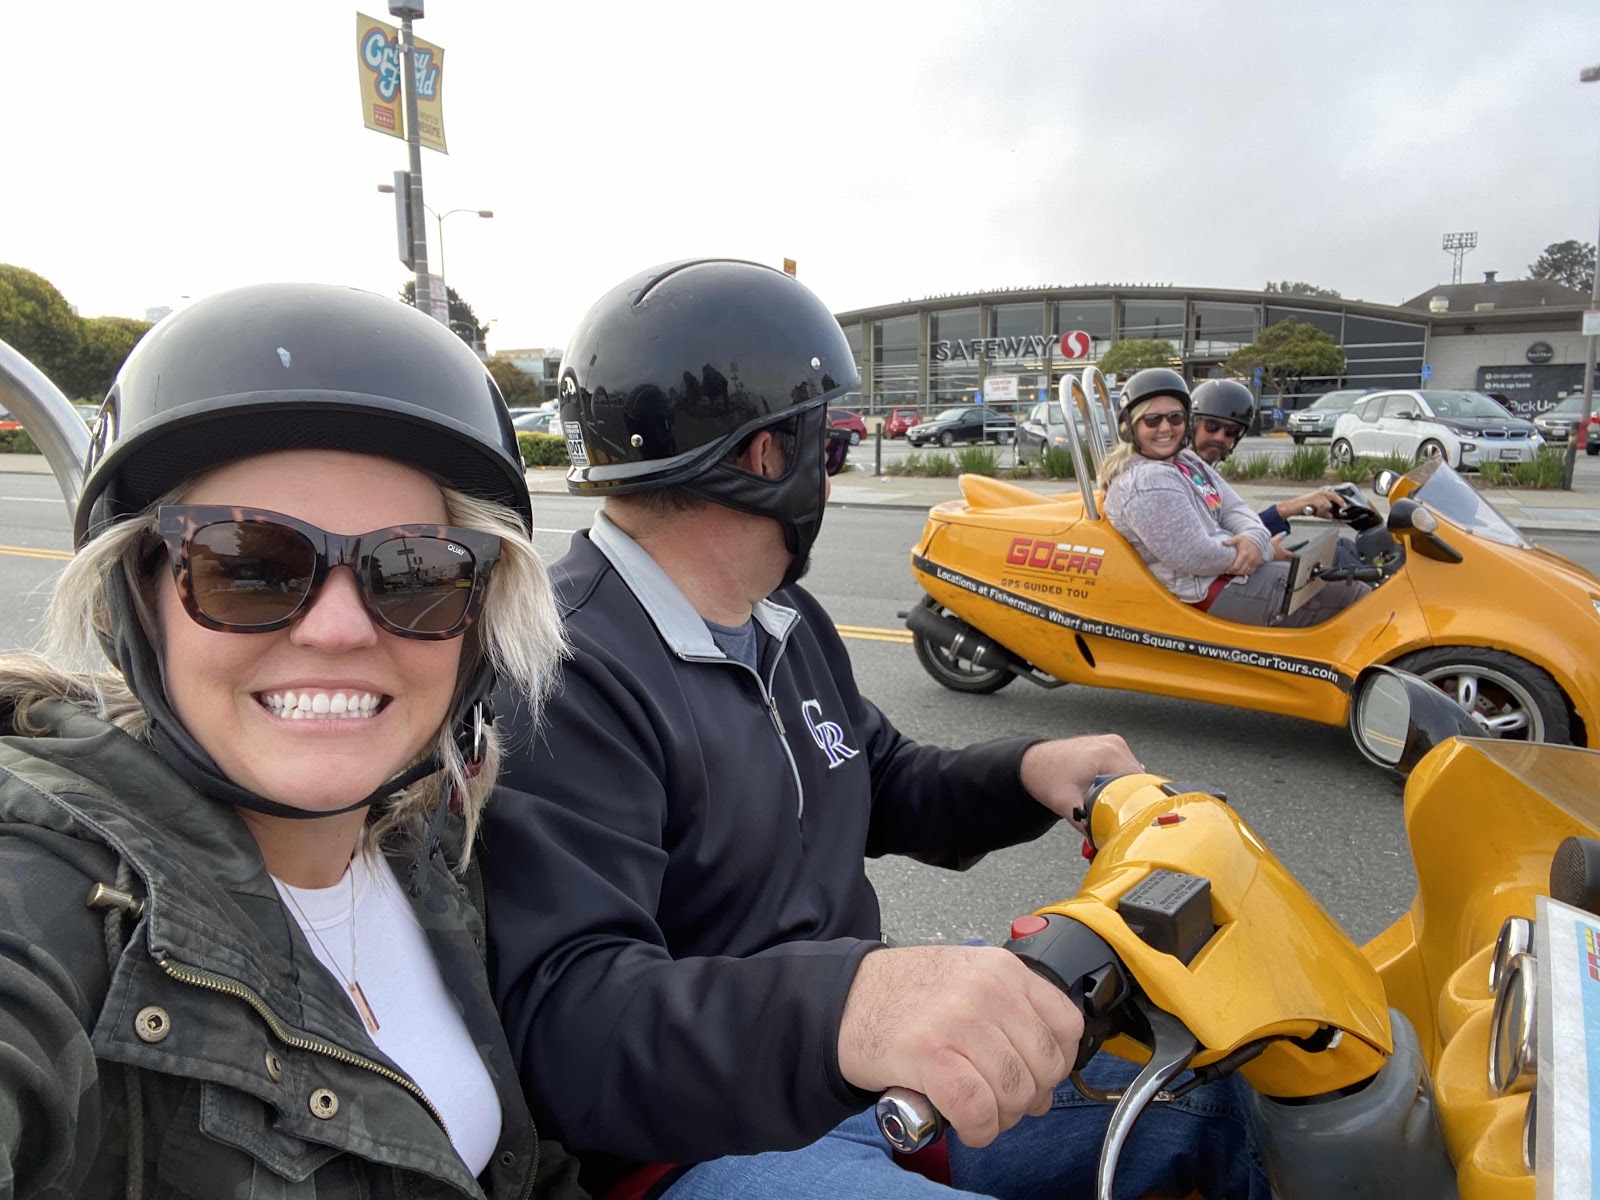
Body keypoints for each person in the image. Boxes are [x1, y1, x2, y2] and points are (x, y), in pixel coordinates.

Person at [482, 260, 1267, 1199]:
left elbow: (877, 775)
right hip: (697, 1142)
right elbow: (571, 1016)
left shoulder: (780, 614)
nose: (831, 465)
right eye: (827, 443)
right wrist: (848, 1006)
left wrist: (1028, 771)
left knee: (1219, 1089)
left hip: (859, 1067)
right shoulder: (563, 672)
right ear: (767, 457)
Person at [0, 283, 586, 1199]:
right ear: (140, 601)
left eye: (415, 572)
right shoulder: (50, 908)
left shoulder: (427, 847)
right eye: (249, 565)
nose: (339, 630)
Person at [1099, 369, 1367, 628]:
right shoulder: (1146, 481)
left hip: (1228, 574)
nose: (1165, 428)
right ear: (1130, 427)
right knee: (1353, 594)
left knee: (1339, 562)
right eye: (1152, 420)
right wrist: (1263, 551)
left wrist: (1254, 539)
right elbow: (1196, 555)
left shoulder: (1186, 461)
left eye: (1175, 418)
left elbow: (1236, 509)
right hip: (1206, 589)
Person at [1188, 380, 1361, 566]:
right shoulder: (1178, 474)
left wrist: (1290, 509)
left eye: (1231, 430)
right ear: (1192, 424)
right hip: (1223, 574)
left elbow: (1236, 528)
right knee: (1339, 560)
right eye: (1212, 426)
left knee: (1343, 547)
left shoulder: (1205, 475)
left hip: (1241, 560)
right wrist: (1267, 549)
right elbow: (1206, 547)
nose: (1220, 437)